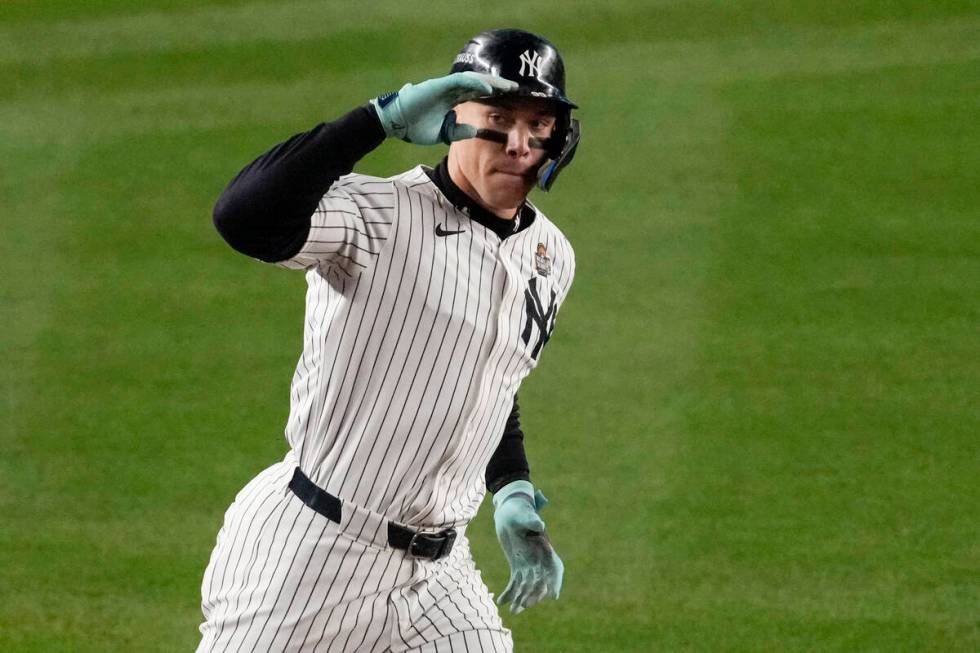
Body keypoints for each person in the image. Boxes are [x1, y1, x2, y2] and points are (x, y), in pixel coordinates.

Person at [196, 28, 581, 652]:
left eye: (539, 122)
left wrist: (510, 486)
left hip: (439, 576)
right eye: (498, 118)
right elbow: (242, 217)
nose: (519, 144)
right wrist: (378, 119)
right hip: (312, 555)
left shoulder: (551, 254)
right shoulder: (376, 214)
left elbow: (489, 375)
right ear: (453, 116)